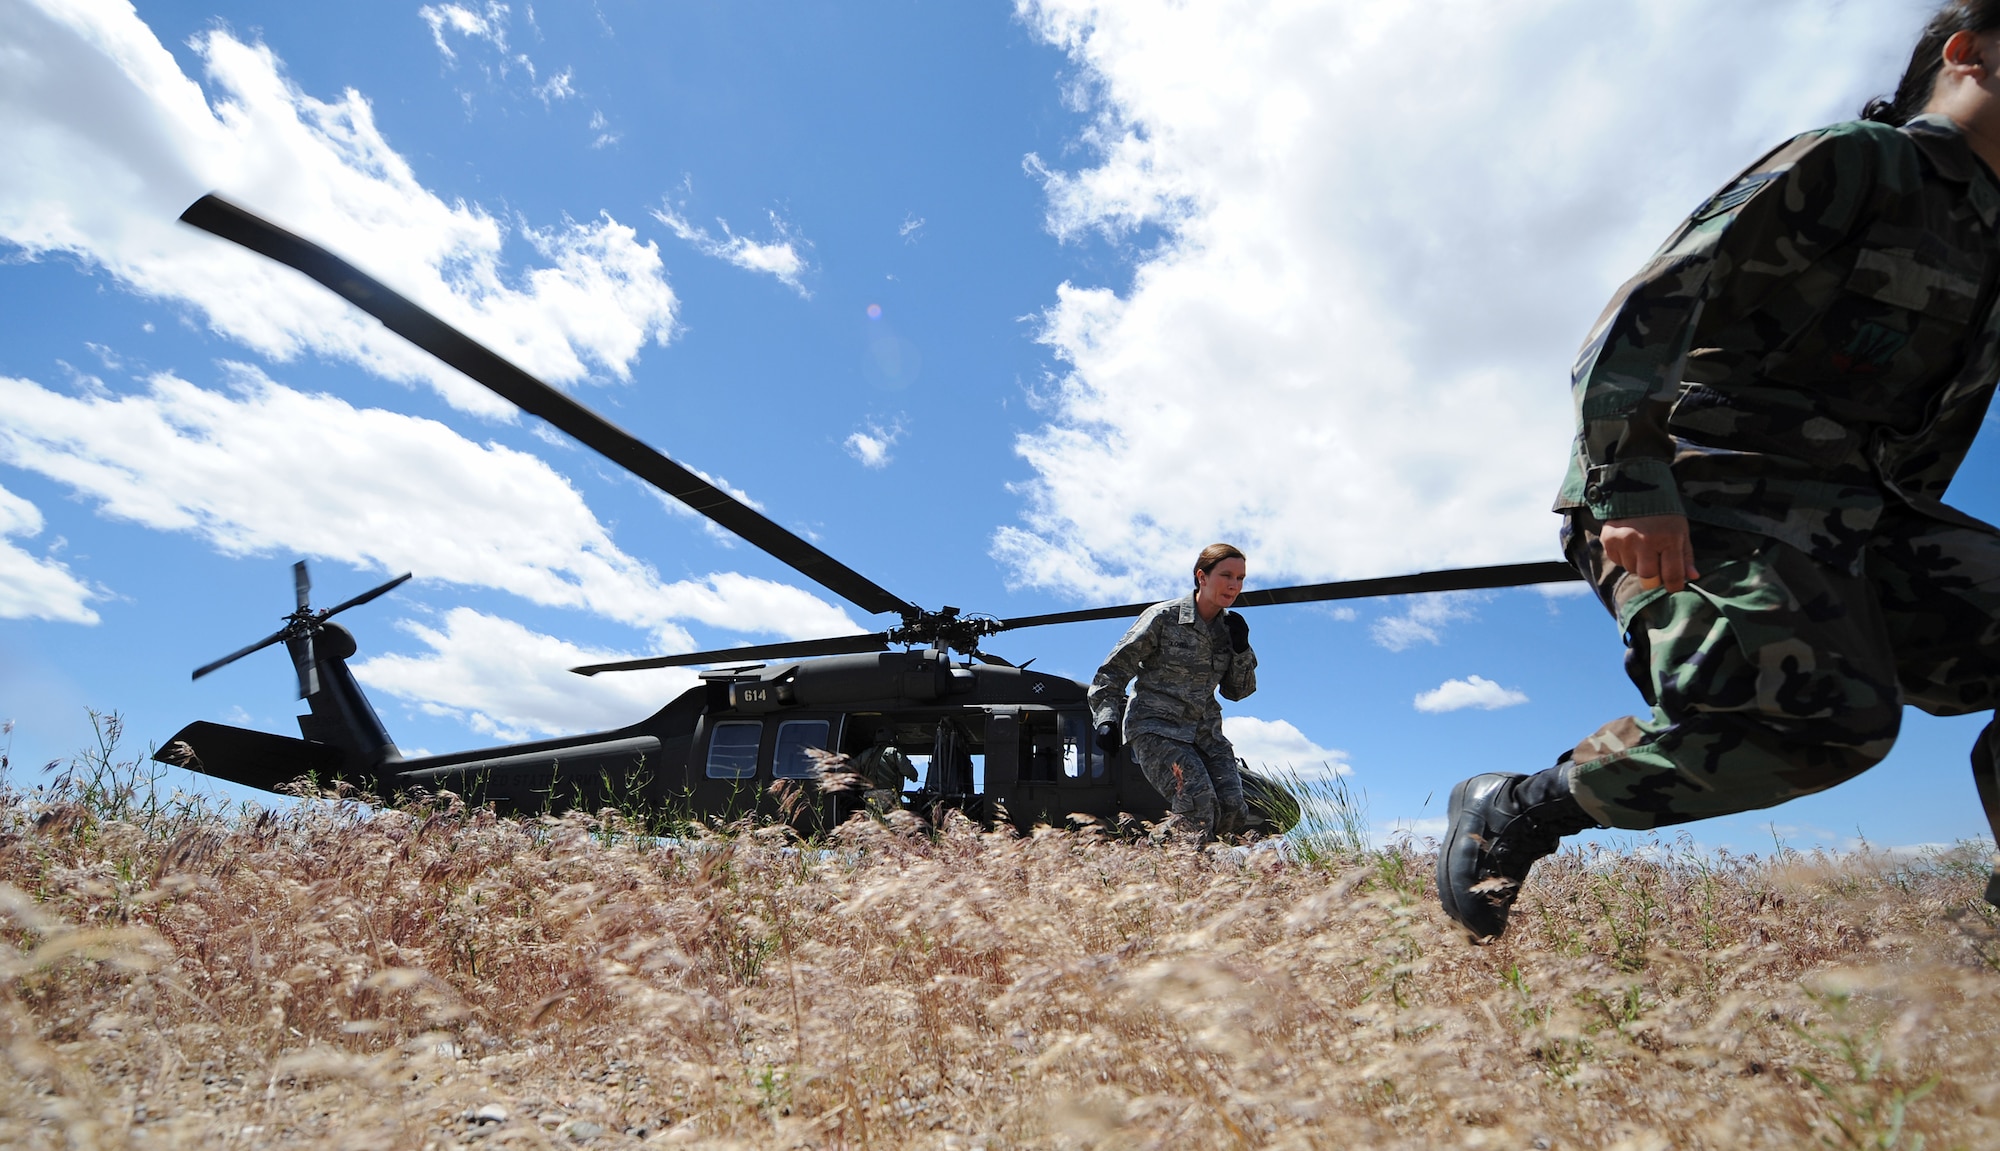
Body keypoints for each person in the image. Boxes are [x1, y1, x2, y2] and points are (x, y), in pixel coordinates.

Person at [1439, 1, 2000, 940]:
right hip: (1702, 487)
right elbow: (1651, 309)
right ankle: (1522, 806)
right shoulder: (1861, 161)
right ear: (1968, 52)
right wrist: (1630, 485)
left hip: (1866, 519)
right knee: (1828, 720)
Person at [1090, 543, 1259, 839]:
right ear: (1202, 577)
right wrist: (1106, 718)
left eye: (1240, 578)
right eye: (1226, 575)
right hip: (1156, 728)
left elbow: (1238, 692)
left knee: (1233, 809)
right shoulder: (1163, 617)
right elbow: (1113, 671)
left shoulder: (1229, 631)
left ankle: (1193, 870)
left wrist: (1241, 649)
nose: (1234, 585)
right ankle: (1156, 869)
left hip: (1206, 735)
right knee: (1197, 803)